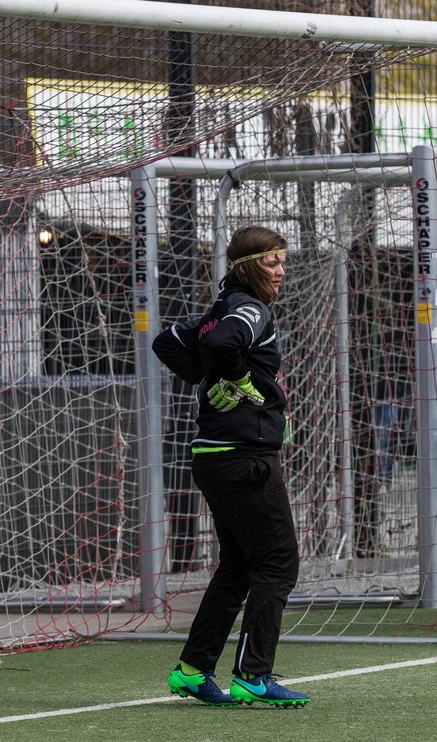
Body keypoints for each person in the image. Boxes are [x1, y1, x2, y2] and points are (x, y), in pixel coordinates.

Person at [151, 225, 310, 707]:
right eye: (271, 261)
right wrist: (240, 380)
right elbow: (223, 343)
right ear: (247, 266)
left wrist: (208, 375)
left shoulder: (223, 306)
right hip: (243, 458)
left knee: (240, 565)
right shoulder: (249, 309)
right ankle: (253, 675)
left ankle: (193, 670)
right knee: (279, 562)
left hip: (215, 456)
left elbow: (167, 341)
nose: (281, 270)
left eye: (283, 260)